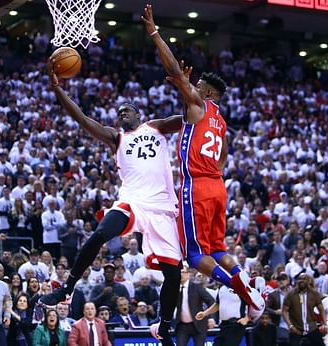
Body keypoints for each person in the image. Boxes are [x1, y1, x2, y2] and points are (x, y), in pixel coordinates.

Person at [40, 60, 184, 346]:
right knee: (101, 233)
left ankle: (165, 325)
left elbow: (188, 117)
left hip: (163, 209)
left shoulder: (155, 127)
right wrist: (58, 89)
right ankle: (66, 288)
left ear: (138, 113)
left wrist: (189, 89)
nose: (121, 115)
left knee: (173, 274)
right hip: (132, 202)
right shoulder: (116, 138)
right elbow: (82, 119)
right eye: (118, 112)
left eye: (126, 110)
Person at [142, 4, 264, 319]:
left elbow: (172, 70)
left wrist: (155, 34)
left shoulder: (198, 104)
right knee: (218, 249)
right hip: (217, 187)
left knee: (194, 255)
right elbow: (222, 159)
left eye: (197, 86)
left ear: (206, 91)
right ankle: (241, 274)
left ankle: (237, 286)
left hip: (196, 187)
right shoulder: (220, 122)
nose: (192, 87)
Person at [174, 265, 215, 346]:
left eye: (183, 272)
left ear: (188, 274)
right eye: (179, 273)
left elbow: (211, 301)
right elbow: (167, 305)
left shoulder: (196, 287)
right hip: (182, 326)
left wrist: (211, 318)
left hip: (199, 324)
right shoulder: (173, 288)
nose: (181, 275)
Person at [282, 273, 326, 346]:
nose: (301, 280)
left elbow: (321, 310)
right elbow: (284, 311)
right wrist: (290, 326)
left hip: (312, 328)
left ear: (308, 281)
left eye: (304, 279)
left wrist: (325, 324)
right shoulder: (290, 294)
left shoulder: (314, 293)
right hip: (296, 328)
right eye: (300, 279)